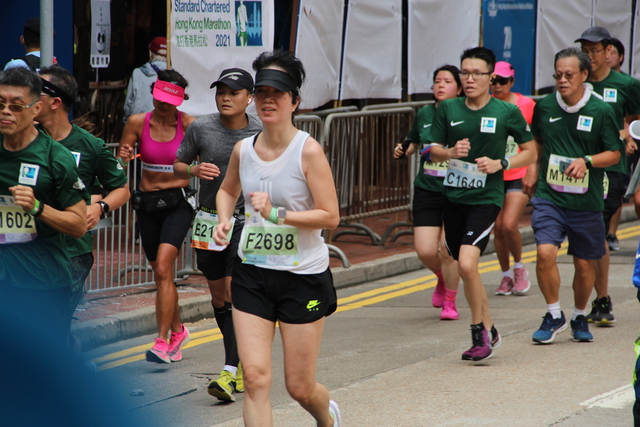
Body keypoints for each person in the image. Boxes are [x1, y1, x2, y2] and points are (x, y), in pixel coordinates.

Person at [213, 50, 341, 427]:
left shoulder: (308, 151)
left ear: (295, 101)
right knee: (254, 378)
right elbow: (227, 190)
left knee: (299, 387)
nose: (268, 100)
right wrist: (224, 220)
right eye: (262, 92)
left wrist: (277, 215)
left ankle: (327, 417)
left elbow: (330, 215)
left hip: (302, 276)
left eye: (278, 93)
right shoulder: (244, 150)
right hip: (252, 272)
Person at [429, 47, 536, 362]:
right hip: (454, 197)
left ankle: (479, 334)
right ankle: (490, 328)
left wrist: (502, 163)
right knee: (467, 269)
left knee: (466, 264)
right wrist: (450, 152)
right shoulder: (448, 109)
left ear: (491, 77)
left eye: (477, 73)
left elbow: (531, 151)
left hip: (486, 198)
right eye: (465, 72)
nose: (469, 78)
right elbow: (433, 150)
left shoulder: (506, 112)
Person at [174, 68, 262, 402]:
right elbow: (178, 165)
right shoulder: (201, 127)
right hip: (208, 221)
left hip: (245, 221)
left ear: (249, 98)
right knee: (218, 300)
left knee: (232, 292)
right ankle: (238, 363)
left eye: (233, 93)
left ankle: (228, 370)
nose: (225, 98)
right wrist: (193, 169)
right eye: (220, 92)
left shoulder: (260, 130)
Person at [527, 47, 621, 344]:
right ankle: (553, 314)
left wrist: (587, 161)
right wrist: (532, 168)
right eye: (558, 75)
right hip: (549, 196)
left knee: (583, 264)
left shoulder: (601, 110)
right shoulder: (544, 106)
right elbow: (537, 141)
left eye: (569, 75)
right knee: (545, 252)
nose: (562, 80)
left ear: (584, 74)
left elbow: (614, 154)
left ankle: (580, 315)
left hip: (585, 201)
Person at [35, 65, 130, 320]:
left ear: (55, 102)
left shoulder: (90, 145)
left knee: (55, 321)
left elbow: (122, 189)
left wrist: (100, 208)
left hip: (72, 251)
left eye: (35, 91)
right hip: (29, 247)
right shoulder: (22, 138)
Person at [0, 67, 88, 341]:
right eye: (0, 104)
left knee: (38, 364)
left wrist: (37, 207)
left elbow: (79, 225)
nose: (5, 112)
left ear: (36, 108)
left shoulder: (55, 158)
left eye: (16, 106)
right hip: (4, 280)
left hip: (42, 283)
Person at [118, 69, 196, 364]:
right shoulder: (137, 122)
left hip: (178, 203)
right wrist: (122, 158)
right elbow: (120, 163)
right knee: (162, 275)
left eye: (170, 99)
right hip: (147, 205)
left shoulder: (189, 125)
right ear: (153, 92)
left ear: (180, 99)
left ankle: (162, 341)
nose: (164, 103)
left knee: (164, 267)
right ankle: (179, 331)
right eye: (160, 96)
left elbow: (208, 160)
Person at [575, 27, 640, 325]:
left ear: (608, 51)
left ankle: (601, 299)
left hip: (611, 169)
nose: (590, 55)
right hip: (577, 169)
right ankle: (597, 300)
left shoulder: (626, 84)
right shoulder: (576, 81)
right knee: (587, 236)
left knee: (596, 231)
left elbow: (636, 119)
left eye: (595, 50)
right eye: (585, 50)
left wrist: (627, 133)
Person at [393, 65, 462, 320]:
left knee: (447, 250)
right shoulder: (424, 113)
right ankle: (443, 278)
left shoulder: (466, 113)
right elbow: (413, 141)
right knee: (425, 250)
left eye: (447, 81)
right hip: (427, 190)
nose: (440, 85)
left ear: (459, 88)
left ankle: (450, 302)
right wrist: (403, 149)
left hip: (457, 190)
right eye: (437, 81)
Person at [490, 61, 536, 296]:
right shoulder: (486, 104)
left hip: (518, 173)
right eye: (494, 80)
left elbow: (534, 140)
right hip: (494, 174)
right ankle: (506, 276)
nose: (497, 85)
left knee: (508, 224)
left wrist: (532, 169)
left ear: (512, 82)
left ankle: (519, 268)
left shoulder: (526, 105)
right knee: (498, 229)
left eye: (503, 81)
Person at [123, 37, 168, 123]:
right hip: (161, 125)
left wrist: (127, 122)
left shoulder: (137, 73)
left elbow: (128, 104)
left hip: (137, 123)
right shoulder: (173, 75)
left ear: (150, 53)